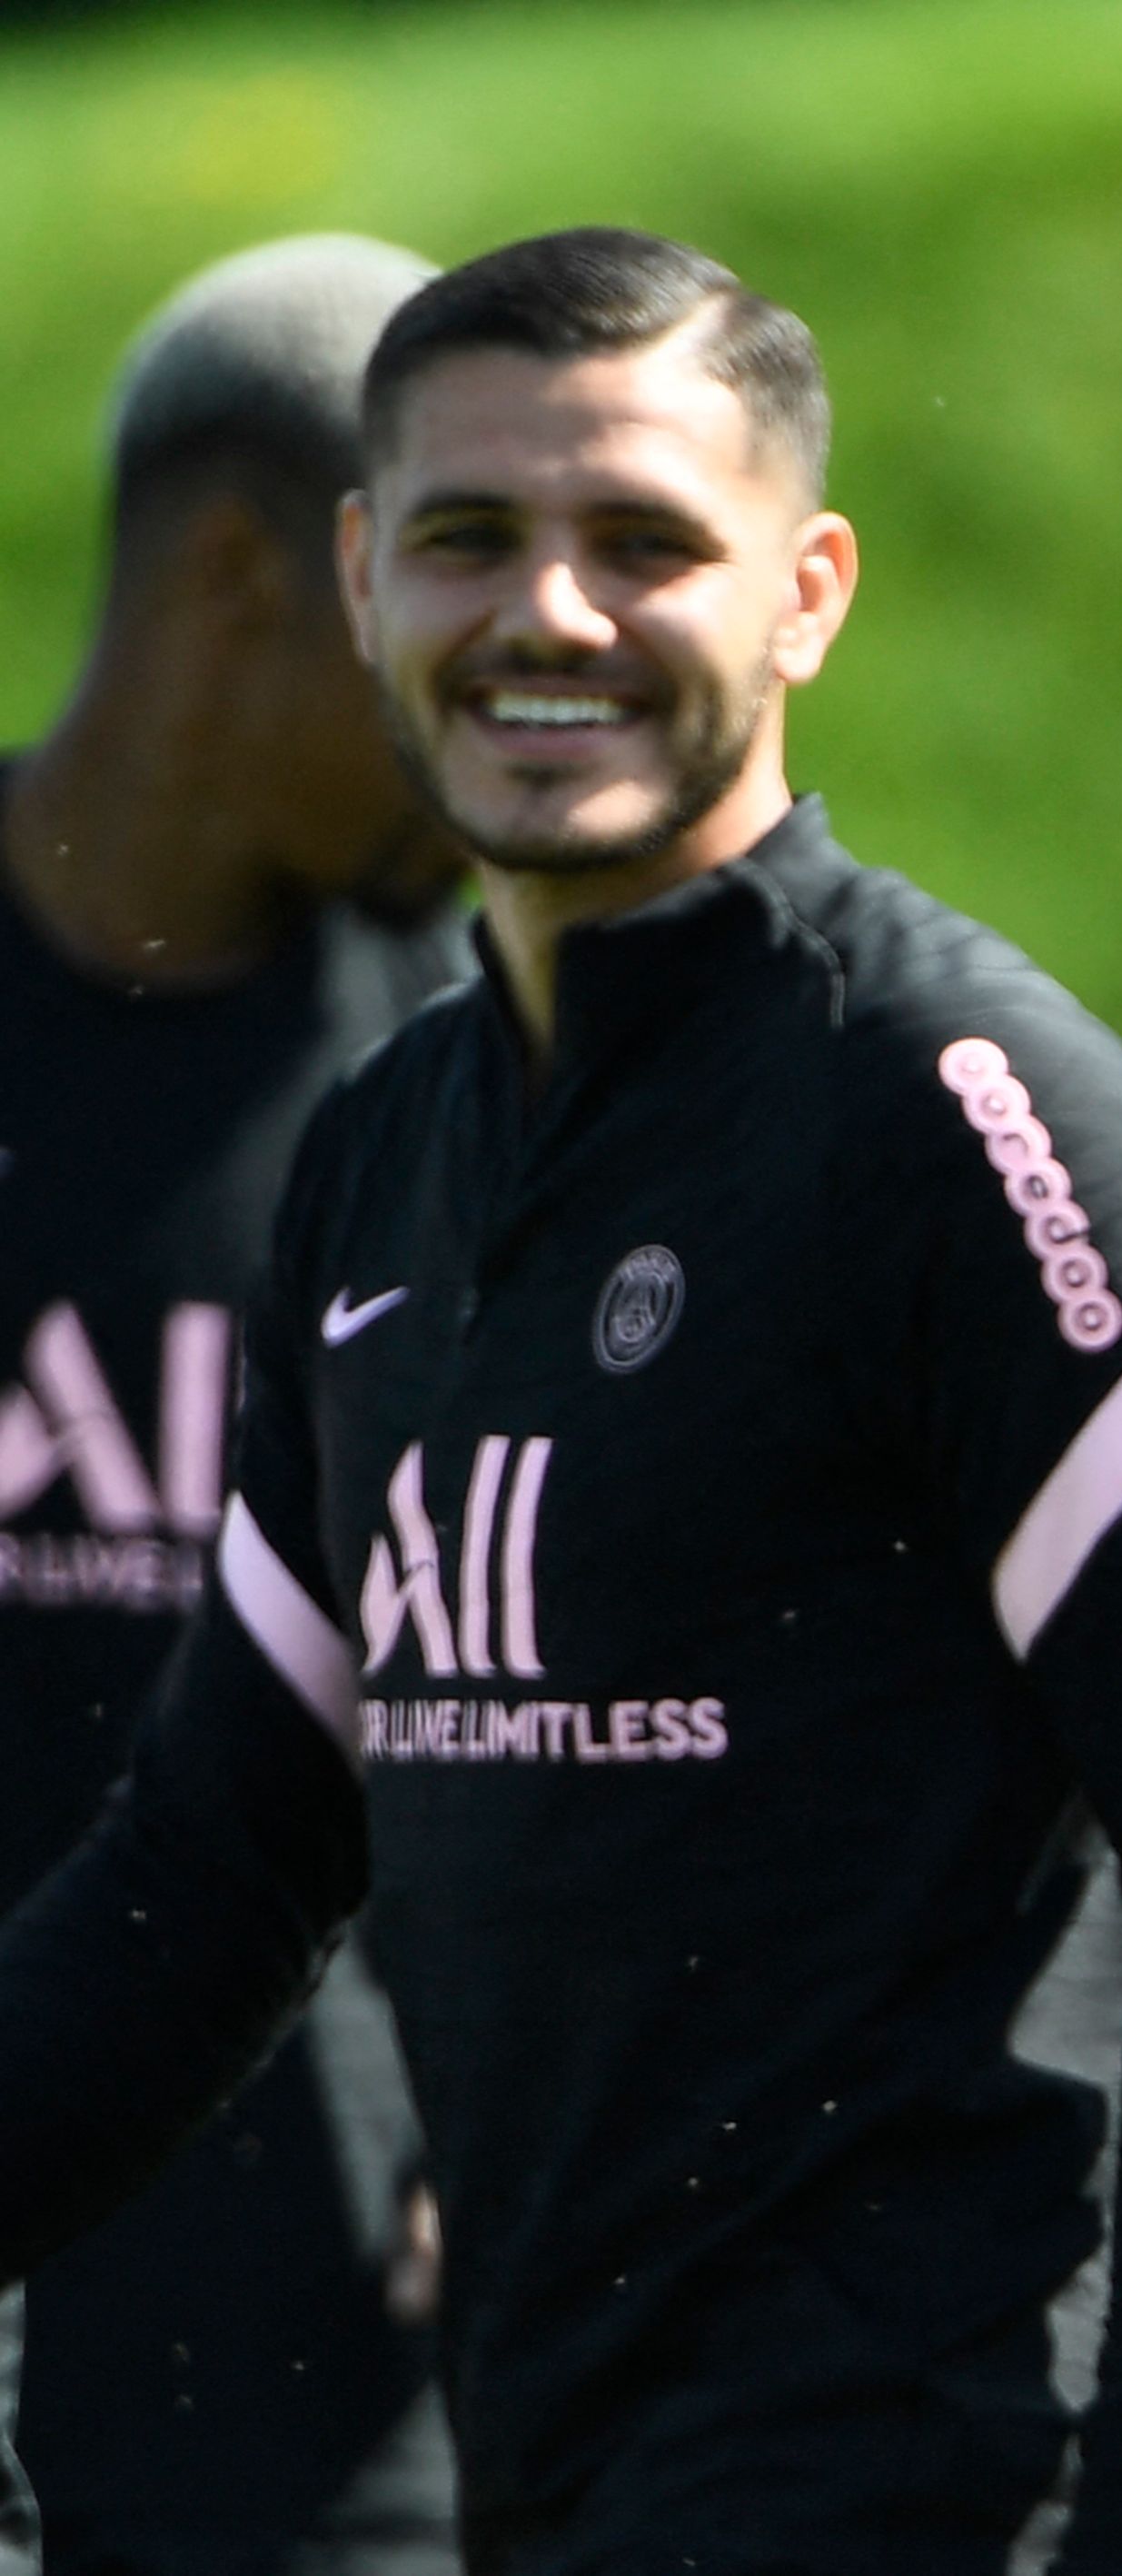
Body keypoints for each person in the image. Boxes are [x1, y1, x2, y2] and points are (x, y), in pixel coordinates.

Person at [0, 226, 1122, 2575]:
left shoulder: (953, 1109)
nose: (550, 612)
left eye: (645, 540)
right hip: (555, 2500)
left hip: (929, 2494)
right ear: (359, 577)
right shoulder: (387, 1153)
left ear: (808, 588)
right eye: (468, 538)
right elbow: (214, 1868)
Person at [0, 235, 462, 2576]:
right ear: (229, 578)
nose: (495, 723)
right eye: (426, 609)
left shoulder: (476, 1078)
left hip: (325, 2374)